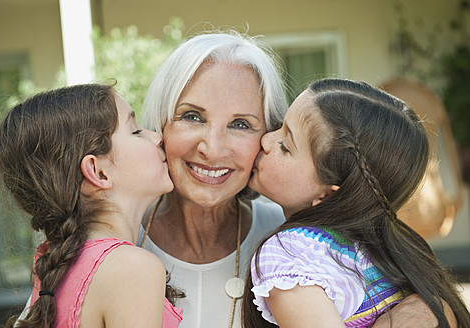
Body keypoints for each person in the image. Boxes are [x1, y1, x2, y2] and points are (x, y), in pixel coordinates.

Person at [137, 31, 456, 327]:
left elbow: (433, 297)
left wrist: (420, 312)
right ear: (161, 122)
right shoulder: (118, 234)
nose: (212, 148)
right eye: (192, 116)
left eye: (241, 124)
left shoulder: (294, 240)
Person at [241, 78, 470, 327]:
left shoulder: (290, 254)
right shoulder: (390, 248)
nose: (265, 140)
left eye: (285, 146)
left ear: (328, 195)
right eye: (280, 126)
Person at [0, 84, 182, 327]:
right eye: (135, 131)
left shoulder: (60, 268)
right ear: (98, 172)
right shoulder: (131, 268)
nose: (158, 137)